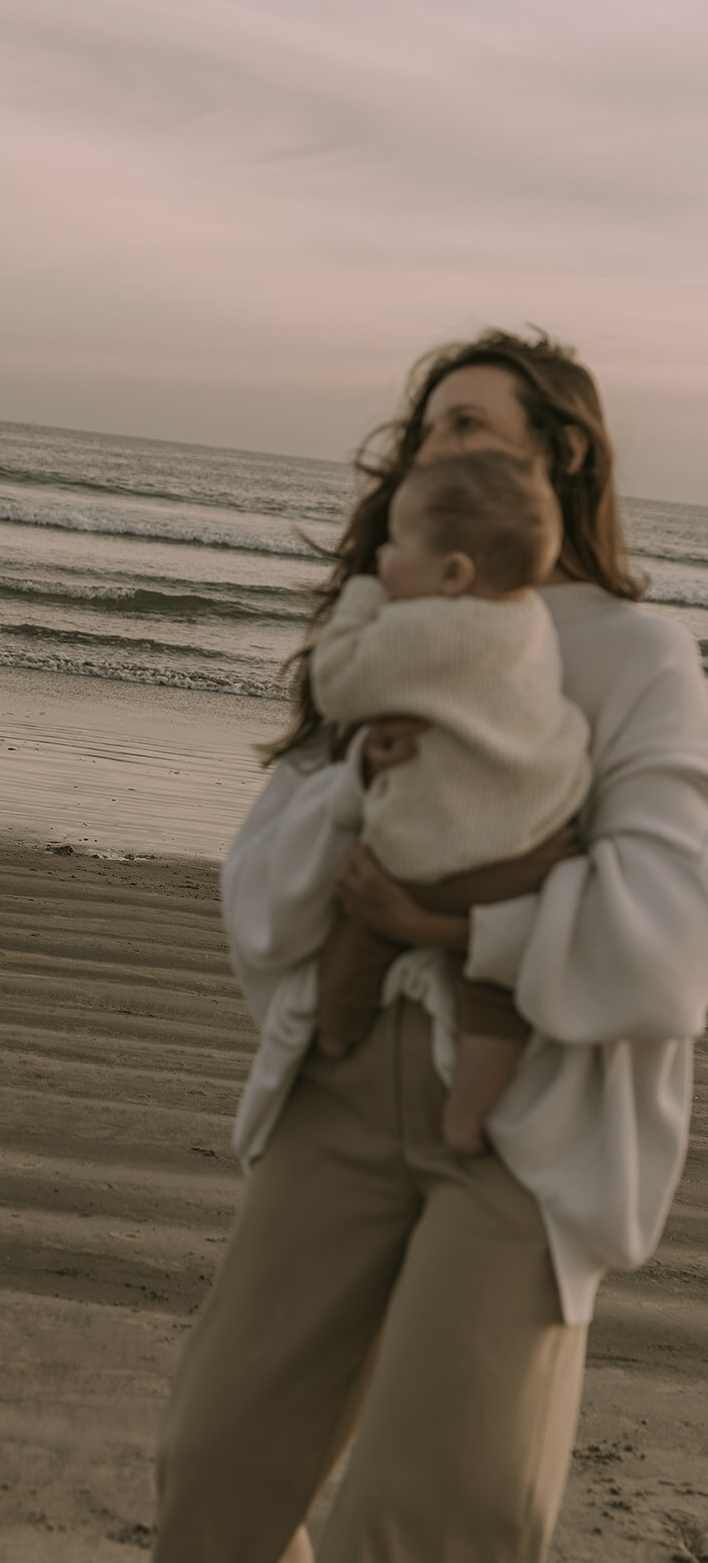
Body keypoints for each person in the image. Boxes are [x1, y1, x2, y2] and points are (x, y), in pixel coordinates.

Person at [153, 329, 708, 1563]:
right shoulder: (394, 617)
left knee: (428, 1513)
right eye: (422, 430)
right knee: (213, 1473)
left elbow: (669, 937)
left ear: (559, 449)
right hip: (338, 1089)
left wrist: (454, 926)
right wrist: (359, 784)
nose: (431, 448)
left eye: (463, 423)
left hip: (523, 1125)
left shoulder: (637, 656)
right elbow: (259, 889)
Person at [308, 449, 591, 1155]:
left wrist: (361, 600)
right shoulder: (529, 620)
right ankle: (467, 1116)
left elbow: (337, 685)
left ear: (454, 574)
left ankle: (335, 1035)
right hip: (530, 846)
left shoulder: (425, 625)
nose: (382, 554)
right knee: (490, 993)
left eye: (398, 545)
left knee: (359, 930)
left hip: (431, 856)